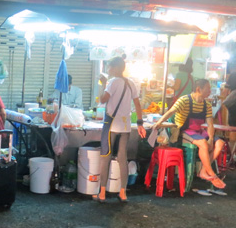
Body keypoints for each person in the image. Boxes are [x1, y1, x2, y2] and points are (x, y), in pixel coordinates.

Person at [153, 78, 226, 190]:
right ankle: (212, 174)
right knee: (203, 143)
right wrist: (159, 123)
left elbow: (210, 124)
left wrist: (211, 139)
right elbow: (170, 112)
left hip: (198, 131)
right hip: (184, 131)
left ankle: (203, 171)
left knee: (220, 143)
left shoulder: (207, 104)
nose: (210, 91)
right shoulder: (184, 100)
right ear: (198, 89)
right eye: (208, 89)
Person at [95, 56, 146, 203]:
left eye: (110, 67)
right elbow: (137, 104)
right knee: (122, 158)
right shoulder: (131, 83)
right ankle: (123, 193)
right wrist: (140, 122)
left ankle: (102, 193)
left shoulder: (112, 82)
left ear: (116, 68)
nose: (108, 69)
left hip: (111, 125)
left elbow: (102, 100)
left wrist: (103, 84)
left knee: (106, 157)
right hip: (126, 126)